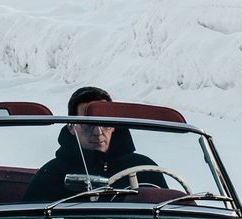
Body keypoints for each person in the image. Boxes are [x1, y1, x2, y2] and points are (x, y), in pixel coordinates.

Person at [22, 86, 154, 204]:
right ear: (71, 127)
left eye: (105, 123)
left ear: (114, 125)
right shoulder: (52, 174)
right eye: (88, 124)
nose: (98, 132)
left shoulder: (145, 169)